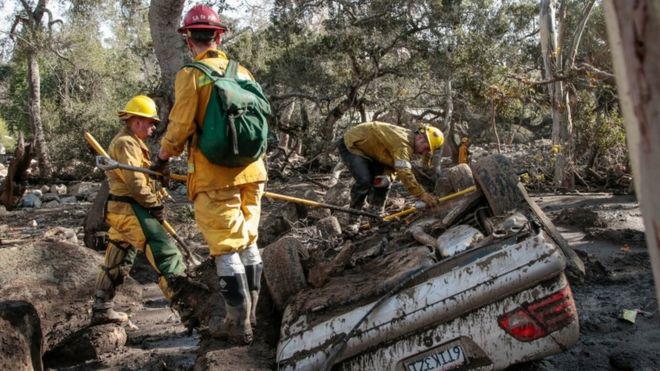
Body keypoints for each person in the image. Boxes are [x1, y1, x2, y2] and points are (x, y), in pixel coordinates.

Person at [150, 4, 267, 344]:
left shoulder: (192, 74)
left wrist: (163, 155)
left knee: (225, 247)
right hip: (254, 172)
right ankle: (254, 318)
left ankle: (238, 325)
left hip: (215, 177)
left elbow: (181, 125)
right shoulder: (243, 71)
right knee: (249, 241)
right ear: (218, 36)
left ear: (189, 39)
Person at [91, 95, 194, 327]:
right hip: (130, 209)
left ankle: (101, 308)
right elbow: (135, 183)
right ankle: (190, 310)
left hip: (120, 210)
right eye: (150, 122)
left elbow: (142, 175)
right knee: (164, 252)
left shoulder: (132, 143)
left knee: (116, 258)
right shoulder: (126, 143)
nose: (154, 127)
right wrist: (154, 204)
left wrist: (159, 176)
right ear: (136, 121)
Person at [338, 121, 445, 215]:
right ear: (421, 137)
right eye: (426, 148)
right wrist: (421, 194)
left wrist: (387, 177)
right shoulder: (403, 143)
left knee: (384, 180)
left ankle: (376, 212)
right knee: (364, 181)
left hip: (373, 152)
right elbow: (403, 171)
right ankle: (354, 218)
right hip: (353, 144)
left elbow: (393, 164)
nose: (423, 153)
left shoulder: (409, 143)